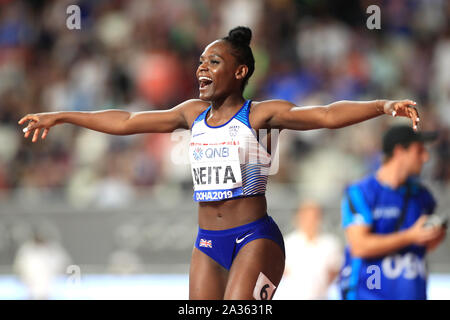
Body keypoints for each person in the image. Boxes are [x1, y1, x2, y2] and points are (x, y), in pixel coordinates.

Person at [18, 26, 421, 300]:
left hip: (255, 240)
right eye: (200, 62)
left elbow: (327, 115)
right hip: (207, 244)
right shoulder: (191, 113)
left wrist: (383, 105)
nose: (201, 69)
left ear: (240, 70)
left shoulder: (260, 115)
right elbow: (126, 121)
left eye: (213, 62)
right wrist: (62, 115)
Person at [339, 125, 447, 300]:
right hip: (368, 294)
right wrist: (411, 236)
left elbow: (424, 245)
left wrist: (433, 235)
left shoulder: (422, 196)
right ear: (399, 151)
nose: (425, 157)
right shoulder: (361, 192)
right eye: (419, 151)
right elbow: (359, 246)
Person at [279, 201, 342, 300]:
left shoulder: (331, 244)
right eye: (306, 217)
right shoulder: (287, 243)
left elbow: (335, 271)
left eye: (314, 217)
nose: (310, 221)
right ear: (298, 218)